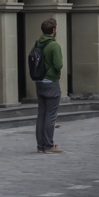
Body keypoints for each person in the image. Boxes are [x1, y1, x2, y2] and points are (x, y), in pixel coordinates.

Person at [33, 18, 64, 155]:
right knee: (51, 115)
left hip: (39, 82)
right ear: (53, 30)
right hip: (51, 82)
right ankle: (49, 145)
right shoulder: (54, 46)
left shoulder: (37, 43)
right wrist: (54, 73)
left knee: (42, 114)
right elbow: (58, 65)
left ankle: (40, 145)